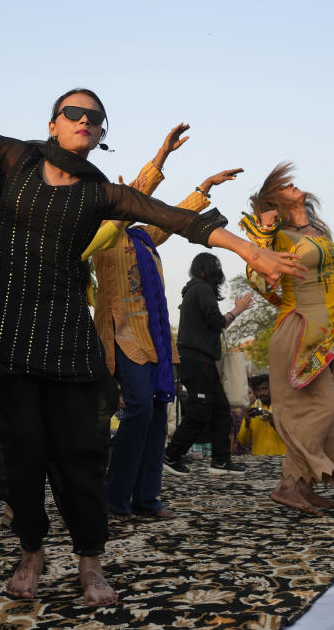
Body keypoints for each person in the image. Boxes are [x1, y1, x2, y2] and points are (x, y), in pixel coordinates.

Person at [0, 48, 303, 606]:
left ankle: (91, 562)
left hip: (65, 338)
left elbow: (178, 220)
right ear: (53, 123)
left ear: (99, 133)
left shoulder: (103, 193)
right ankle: (31, 552)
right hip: (6, 337)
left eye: (94, 116)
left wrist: (247, 251)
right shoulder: (14, 158)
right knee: (24, 452)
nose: (84, 120)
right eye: (73, 112)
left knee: (80, 453)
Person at [88, 121, 243, 520]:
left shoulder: (142, 237)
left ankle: (146, 498)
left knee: (157, 413)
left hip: (156, 337)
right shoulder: (98, 237)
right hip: (121, 333)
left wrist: (205, 187)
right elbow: (136, 195)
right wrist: (162, 154)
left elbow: (176, 217)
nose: (127, 206)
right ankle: (114, 497)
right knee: (138, 409)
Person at [242, 162, 334, 516]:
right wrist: (265, 227)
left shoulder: (317, 232)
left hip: (328, 333)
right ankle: (289, 486)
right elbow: (258, 269)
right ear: (272, 200)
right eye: (285, 186)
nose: (294, 186)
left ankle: (302, 487)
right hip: (299, 329)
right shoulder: (277, 236)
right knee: (316, 408)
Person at [163, 254, 254, 475]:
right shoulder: (201, 289)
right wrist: (238, 310)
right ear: (205, 270)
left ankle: (221, 460)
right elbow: (217, 322)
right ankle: (171, 455)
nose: (219, 272)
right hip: (196, 360)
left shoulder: (194, 290)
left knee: (221, 410)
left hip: (200, 360)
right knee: (200, 411)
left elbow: (212, 326)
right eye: (216, 267)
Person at [236, 375, 287, 455]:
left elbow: (292, 438)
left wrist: (274, 423)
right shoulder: (252, 411)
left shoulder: (284, 408)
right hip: (259, 460)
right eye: (258, 390)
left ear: (272, 388)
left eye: (265, 389)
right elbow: (243, 442)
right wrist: (247, 422)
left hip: (282, 459)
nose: (262, 393)